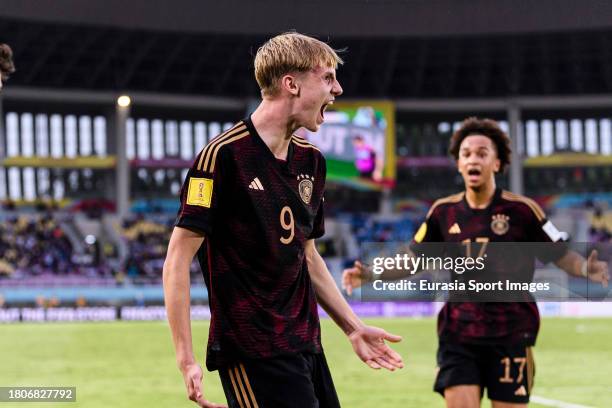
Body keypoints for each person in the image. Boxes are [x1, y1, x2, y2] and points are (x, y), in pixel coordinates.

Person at [164, 32, 403, 408]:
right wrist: (186, 359)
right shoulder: (222, 157)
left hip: (306, 345)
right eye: (327, 78)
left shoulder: (312, 161)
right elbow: (177, 259)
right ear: (291, 83)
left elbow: (307, 256)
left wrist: (353, 328)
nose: (337, 88)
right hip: (251, 349)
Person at [343, 117, 609, 408]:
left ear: (497, 163)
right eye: (466, 154)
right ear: (458, 164)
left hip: (512, 331)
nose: (473, 159)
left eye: (482, 153)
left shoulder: (522, 210)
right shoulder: (443, 212)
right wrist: (370, 273)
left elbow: (560, 255)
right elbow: (413, 260)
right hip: (459, 332)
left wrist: (584, 268)